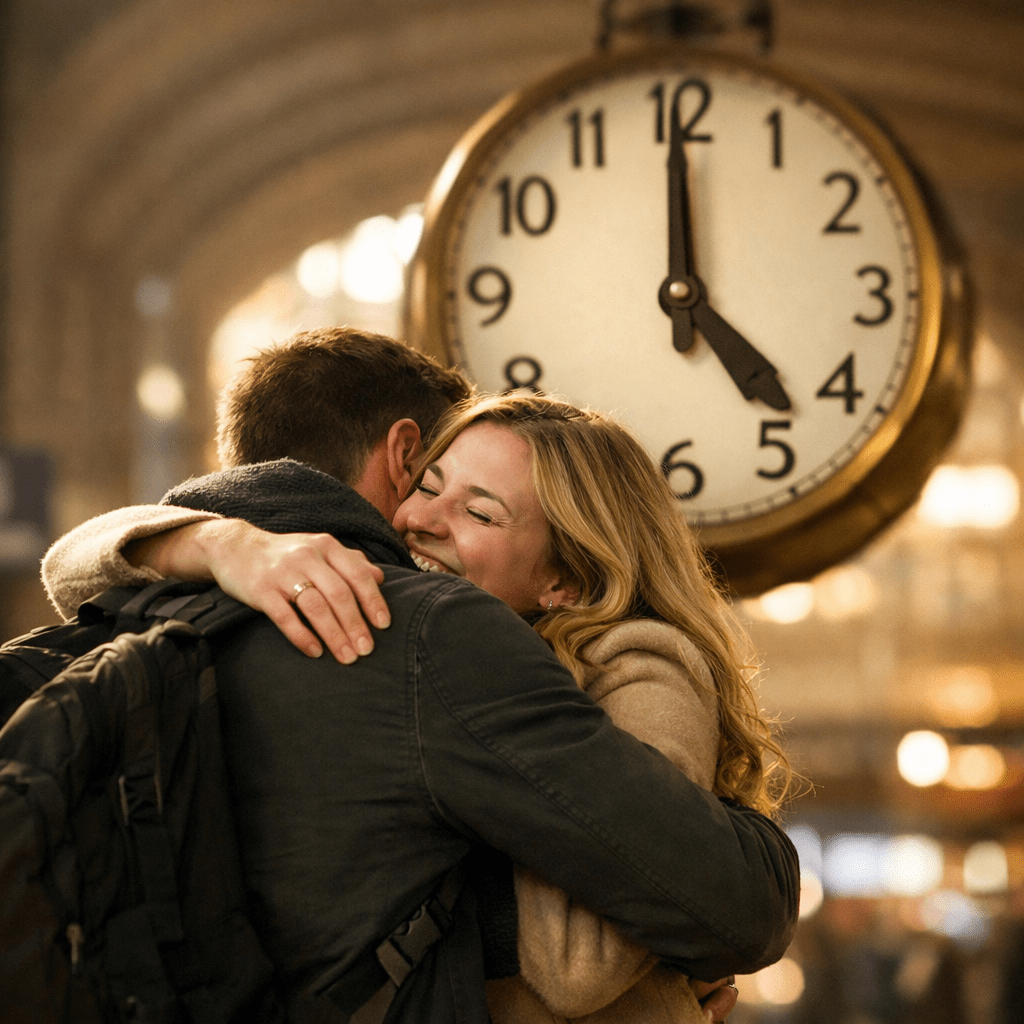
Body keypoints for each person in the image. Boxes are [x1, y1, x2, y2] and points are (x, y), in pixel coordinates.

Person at [42, 327, 799, 1023]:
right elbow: (709, 903)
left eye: (482, 510)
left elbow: (611, 940)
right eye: (430, 484)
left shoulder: (162, 609)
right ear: (404, 458)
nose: (422, 519)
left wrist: (209, 542)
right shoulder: (397, 623)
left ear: (566, 579)